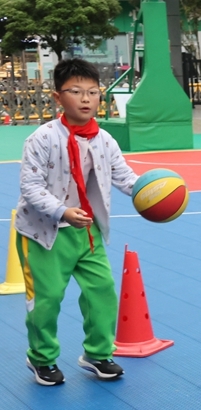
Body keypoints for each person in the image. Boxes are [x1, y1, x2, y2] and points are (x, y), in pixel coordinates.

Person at [15, 58, 140, 386]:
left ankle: (97, 353)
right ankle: (41, 357)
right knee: (47, 299)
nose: (86, 99)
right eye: (76, 91)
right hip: (44, 234)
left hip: (88, 232)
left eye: (93, 92)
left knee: (103, 292)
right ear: (58, 97)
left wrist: (152, 191)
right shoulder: (42, 138)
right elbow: (31, 187)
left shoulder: (105, 140)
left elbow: (124, 176)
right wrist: (62, 211)